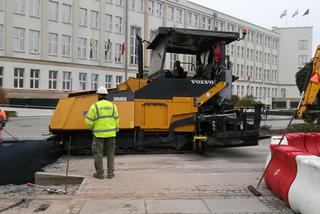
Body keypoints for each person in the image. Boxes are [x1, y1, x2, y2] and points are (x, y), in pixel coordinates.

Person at [85, 86, 119, 179]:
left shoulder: (94, 106)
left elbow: (89, 121)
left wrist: (91, 128)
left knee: (98, 153)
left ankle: (100, 174)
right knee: (110, 154)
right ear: (106, 95)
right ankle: (110, 173)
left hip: (98, 134)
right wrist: (115, 130)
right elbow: (117, 120)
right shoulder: (113, 106)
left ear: (98, 95)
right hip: (111, 134)